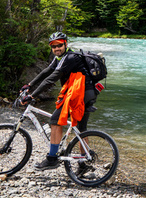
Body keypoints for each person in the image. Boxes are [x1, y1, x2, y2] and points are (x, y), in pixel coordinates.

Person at [20, 31, 101, 172]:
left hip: (79, 93)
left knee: (55, 121)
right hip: (88, 92)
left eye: (59, 45)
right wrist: (29, 85)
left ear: (66, 44)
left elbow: (51, 79)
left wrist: (32, 96)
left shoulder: (69, 57)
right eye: (53, 46)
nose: (56, 48)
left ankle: (52, 159)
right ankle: (83, 164)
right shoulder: (60, 57)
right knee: (81, 129)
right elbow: (46, 71)